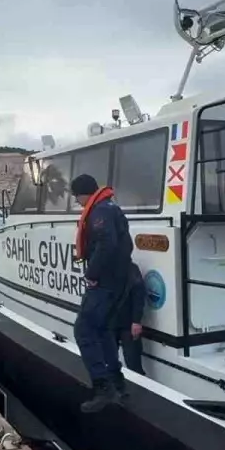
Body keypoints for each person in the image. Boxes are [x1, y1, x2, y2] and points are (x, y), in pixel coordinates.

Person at [70, 173, 134, 413]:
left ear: (83, 193)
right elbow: (126, 245)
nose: (77, 202)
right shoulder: (111, 207)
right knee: (104, 329)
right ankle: (118, 385)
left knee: (84, 330)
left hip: (106, 283)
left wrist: (93, 274)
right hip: (120, 280)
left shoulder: (100, 211)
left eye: (76, 196)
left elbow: (107, 244)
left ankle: (103, 388)